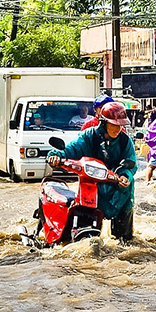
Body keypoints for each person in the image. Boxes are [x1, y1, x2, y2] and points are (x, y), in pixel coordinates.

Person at [47, 101, 138, 241]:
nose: (117, 129)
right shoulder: (89, 136)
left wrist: (126, 176)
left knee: (124, 239)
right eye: (114, 124)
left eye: (120, 125)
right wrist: (56, 156)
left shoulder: (125, 141)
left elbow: (131, 163)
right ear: (104, 122)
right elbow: (71, 150)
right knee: (87, 226)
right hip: (93, 185)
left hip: (119, 188)